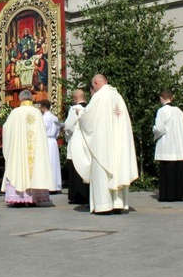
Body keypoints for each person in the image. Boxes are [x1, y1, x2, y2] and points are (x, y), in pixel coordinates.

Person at [77, 74, 139, 214]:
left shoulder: (99, 97)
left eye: (93, 86)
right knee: (117, 167)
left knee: (102, 170)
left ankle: (104, 206)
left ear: (97, 83)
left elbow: (87, 119)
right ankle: (118, 204)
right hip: (118, 143)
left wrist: (79, 116)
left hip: (103, 144)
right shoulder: (118, 97)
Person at [1, 89, 54, 206]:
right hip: (35, 150)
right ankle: (33, 198)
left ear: (21, 99)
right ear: (31, 98)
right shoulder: (37, 113)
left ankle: (19, 199)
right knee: (35, 168)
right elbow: (42, 133)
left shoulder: (16, 112)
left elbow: (6, 129)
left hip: (19, 151)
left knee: (18, 168)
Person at [153, 89, 183, 202]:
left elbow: (159, 128)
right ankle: (180, 193)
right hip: (179, 146)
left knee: (168, 169)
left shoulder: (162, 111)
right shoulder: (179, 111)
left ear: (161, 98)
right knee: (179, 169)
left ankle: (168, 194)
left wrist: (154, 131)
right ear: (171, 98)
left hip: (168, 144)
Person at [63, 89, 89, 204]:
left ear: (75, 98)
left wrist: (68, 135)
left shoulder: (75, 109)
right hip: (87, 142)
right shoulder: (89, 108)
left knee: (75, 167)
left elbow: (68, 126)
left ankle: (77, 195)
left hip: (76, 141)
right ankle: (86, 194)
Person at [40, 99, 62, 192]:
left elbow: (42, 129)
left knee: (47, 163)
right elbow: (58, 131)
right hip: (53, 141)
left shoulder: (44, 118)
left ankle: (48, 185)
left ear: (43, 107)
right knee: (54, 163)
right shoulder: (55, 118)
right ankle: (56, 185)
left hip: (46, 141)